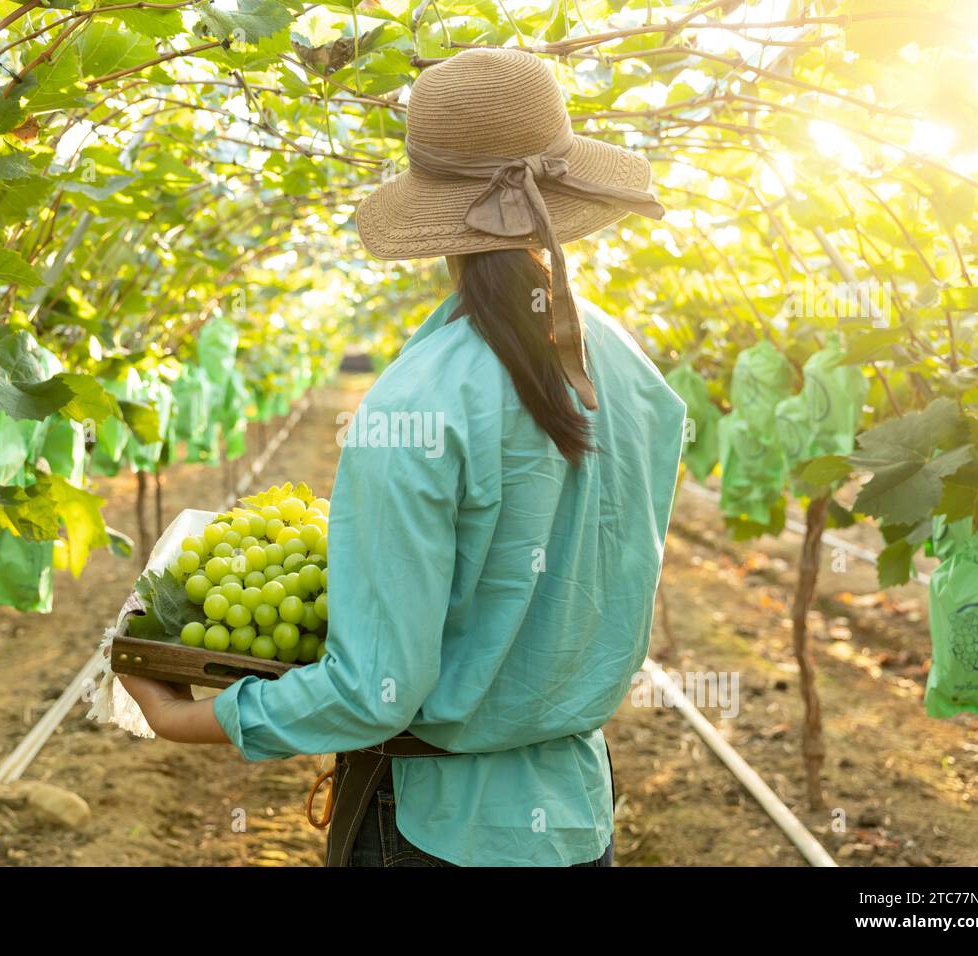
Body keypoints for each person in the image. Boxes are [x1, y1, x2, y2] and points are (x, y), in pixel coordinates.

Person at [120, 47, 686, 867]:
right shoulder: (634, 373)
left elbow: (373, 691)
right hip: (573, 816)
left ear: (438, 220)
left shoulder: (412, 406)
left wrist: (190, 719)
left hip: (432, 833)